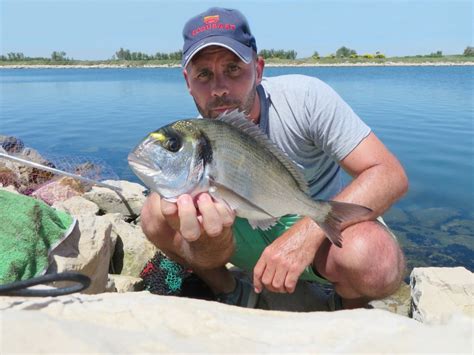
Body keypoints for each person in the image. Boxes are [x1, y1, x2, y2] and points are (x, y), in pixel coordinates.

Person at [141, 7, 408, 310]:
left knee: (377, 260)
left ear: (259, 69)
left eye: (233, 69)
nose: (219, 89)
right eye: (203, 74)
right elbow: (201, 243)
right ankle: (231, 289)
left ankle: (345, 307)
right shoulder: (199, 137)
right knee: (154, 213)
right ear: (188, 82)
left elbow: (390, 174)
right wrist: (206, 241)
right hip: (241, 230)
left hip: (318, 232)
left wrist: (304, 237)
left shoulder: (306, 98)